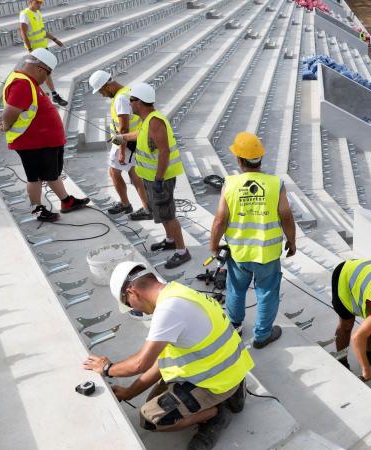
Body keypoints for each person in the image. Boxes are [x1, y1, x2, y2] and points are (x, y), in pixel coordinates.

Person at [84, 261, 254, 450]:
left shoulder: (169, 309)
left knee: (151, 419)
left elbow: (140, 364)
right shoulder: (178, 291)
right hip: (228, 368)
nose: (135, 310)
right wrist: (129, 392)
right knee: (154, 405)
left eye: (129, 304)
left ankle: (217, 412)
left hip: (217, 382)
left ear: (132, 292)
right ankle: (232, 391)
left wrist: (108, 369)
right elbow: (160, 361)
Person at [209, 132, 296, 349]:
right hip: (267, 254)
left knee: (236, 289)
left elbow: (220, 220)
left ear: (239, 159)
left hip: (239, 253)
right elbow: (286, 216)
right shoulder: (276, 184)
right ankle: (262, 335)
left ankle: (235, 326)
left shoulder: (230, 184)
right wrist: (292, 241)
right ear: (260, 158)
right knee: (267, 293)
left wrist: (213, 245)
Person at [0, 48, 89, 221]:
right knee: (35, 178)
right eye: (47, 74)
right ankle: (38, 209)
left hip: (43, 142)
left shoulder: (28, 81)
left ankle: (66, 201)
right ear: (40, 69)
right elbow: (11, 111)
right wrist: (6, 125)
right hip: (32, 143)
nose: (47, 79)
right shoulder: (22, 84)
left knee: (51, 174)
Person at [110, 82, 190, 268]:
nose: (129, 104)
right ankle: (170, 241)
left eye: (131, 101)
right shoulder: (148, 120)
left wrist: (159, 180)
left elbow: (164, 152)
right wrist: (123, 137)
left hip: (160, 178)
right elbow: (141, 134)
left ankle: (182, 251)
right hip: (151, 176)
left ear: (140, 102)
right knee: (161, 212)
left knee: (168, 215)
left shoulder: (155, 121)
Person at [88, 70, 151, 220]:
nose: (102, 95)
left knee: (113, 172)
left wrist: (122, 151)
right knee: (135, 174)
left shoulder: (121, 99)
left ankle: (125, 204)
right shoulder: (127, 91)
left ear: (107, 86)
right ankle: (147, 208)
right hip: (134, 141)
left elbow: (124, 128)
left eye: (101, 91)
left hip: (126, 143)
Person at [18, 0, 68, 106]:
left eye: (41, 3)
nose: (39, 5)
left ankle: (52, 95)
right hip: (35, 51)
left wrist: (55, 39)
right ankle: (50, 95)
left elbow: (42, 31)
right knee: (40, 74)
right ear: (30, 2)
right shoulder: (25, 14)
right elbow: (23, 33)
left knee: (47, 72)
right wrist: (30, 49)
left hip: (43, 48)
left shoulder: (38, 13)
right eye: (37, 2)